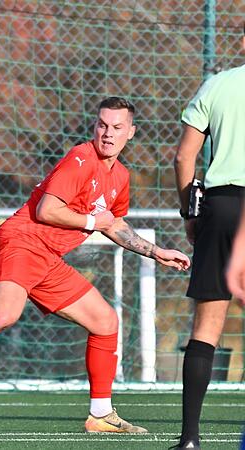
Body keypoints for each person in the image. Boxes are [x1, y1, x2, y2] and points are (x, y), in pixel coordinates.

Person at [0, 97, 191, 434]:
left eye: (117, 128)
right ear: (95, 126)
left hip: (48, 258)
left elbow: (113, 224)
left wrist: (155, 251)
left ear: (131, 133)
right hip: (21, 242)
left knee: (105, 321)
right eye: (102, 125)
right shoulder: (81, 158)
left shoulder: (119, 176)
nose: (107, 134)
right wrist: (93, 221)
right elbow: (46, 211)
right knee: (2, 316)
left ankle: (100, 413)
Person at [173, 23, 245, 450]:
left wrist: (189, 211)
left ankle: (190, 440)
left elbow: (184, 155)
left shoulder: (218, 84)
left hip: (221, 207)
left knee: (207, 328)